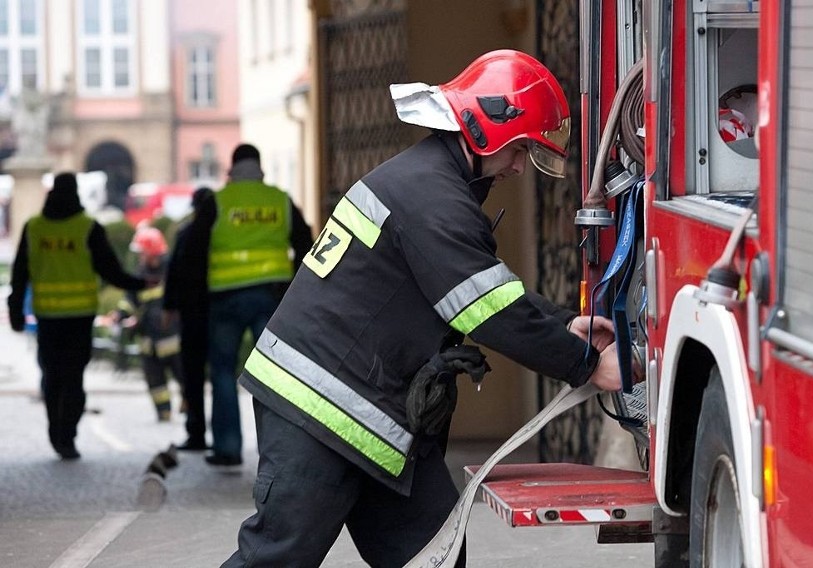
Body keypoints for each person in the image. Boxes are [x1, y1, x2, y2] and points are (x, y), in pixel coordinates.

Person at [222, 49, 622, 568]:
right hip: (317, 410)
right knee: (276, 559)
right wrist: (586, 364)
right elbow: (487, 312)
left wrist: (564, 324)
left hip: (374, 417)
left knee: (435, 557)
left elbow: (486, 289)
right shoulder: (435, 199)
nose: (521, 167)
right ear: (487, 129)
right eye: (521, 149)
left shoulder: (432, 185)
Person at [169, 144, 313, 466]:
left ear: (231, 170)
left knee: (222, 371)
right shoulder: (280, 200)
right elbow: (306, 245)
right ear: (260, 168)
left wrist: (191, 302)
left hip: (225, 300)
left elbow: (193, 251)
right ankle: (283, 451)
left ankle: (228, 448)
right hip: (273, 298)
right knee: (276, 374)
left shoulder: (218, 202)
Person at [7, 172, 148, 460]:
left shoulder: (34, 228)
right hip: (79, 317)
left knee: (51, 376)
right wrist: (142, 283)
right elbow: (111, 271)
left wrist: (15, 311)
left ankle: (54, 430)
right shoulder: (87, 228)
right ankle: (67, 435)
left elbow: (19, 273)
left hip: (47, 316)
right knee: (73, 379)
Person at [163, 187, 215, 451]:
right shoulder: (221, 235)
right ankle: (224, 438)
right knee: (219, 375)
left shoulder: (187, 233)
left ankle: (196, 433)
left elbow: (174, 272)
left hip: (192, 313)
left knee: (193, 375)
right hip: (216, 311)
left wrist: (168, 307)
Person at [116, 226, 184, 422]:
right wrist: (122, 313)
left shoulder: (171, 270)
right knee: (155, 382)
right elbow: (131, 299)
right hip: (149, 340)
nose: (139, 256)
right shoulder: (140, 274)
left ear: (152, 251)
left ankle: (190, 407)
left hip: (173, 338)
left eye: (142, 251)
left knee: (184, 377)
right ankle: (163, 412)